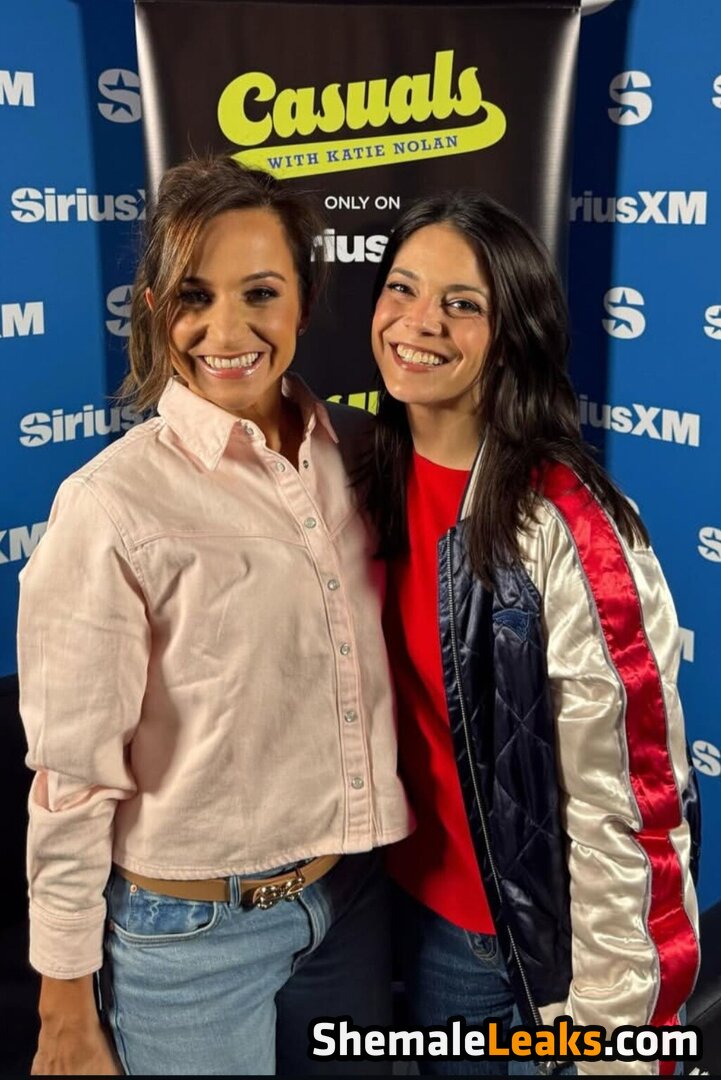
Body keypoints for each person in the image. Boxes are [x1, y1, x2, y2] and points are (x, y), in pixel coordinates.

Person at [17, 155, 412, 1077]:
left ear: (303, 303)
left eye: (260, 293)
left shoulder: (358, 455)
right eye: (195, 297)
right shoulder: (108, 505)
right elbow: (72, 776)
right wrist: (62, 1001)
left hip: (347, 902)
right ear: (158, 309)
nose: (225, 331)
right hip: (187, 943)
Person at [364, 192, 700, 1076]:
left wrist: (617, 1038)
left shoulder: (568, 524)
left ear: (512, 334)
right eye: (401, 288)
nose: (419, 322)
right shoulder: (356, 475)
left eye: (461, 304)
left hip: (519, 955)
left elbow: (628, 800)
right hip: (397, 912)